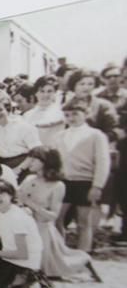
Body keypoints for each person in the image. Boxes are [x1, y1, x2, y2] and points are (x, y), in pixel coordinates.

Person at [18, 147, 101, 282]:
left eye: (34, 159)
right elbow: (18, 199)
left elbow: (53, 216)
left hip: (43, 229)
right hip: (26, 226)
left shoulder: (57, 185)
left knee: (50, 270)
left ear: (46, 162)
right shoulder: (29, 179)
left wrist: (31, 205)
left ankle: (83, 260)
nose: (30, 162)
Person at [56, 99, 110, 254]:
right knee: (57, 218)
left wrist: (97, 185)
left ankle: (83, 254)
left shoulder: (95, 135)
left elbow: (102, 161)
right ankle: (60, 252)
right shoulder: (61, 135)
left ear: (85, 114)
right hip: (64, 182)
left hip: (85, 182)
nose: (71, 118)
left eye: (75, 114)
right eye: (67, 115)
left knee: (83, 221)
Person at [0, 91, 41, 171]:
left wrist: (19, 169)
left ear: (8, 109)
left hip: (26, 165)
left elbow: (36, 151)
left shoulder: (23, 126)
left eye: (0, 109)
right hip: (4, 166)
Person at [22, 76, 66, 145]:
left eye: (50, 91)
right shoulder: (27, 115)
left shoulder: (61, 113)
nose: (45, 95)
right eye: (42, 91)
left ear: (55, 93)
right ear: (36, 93)